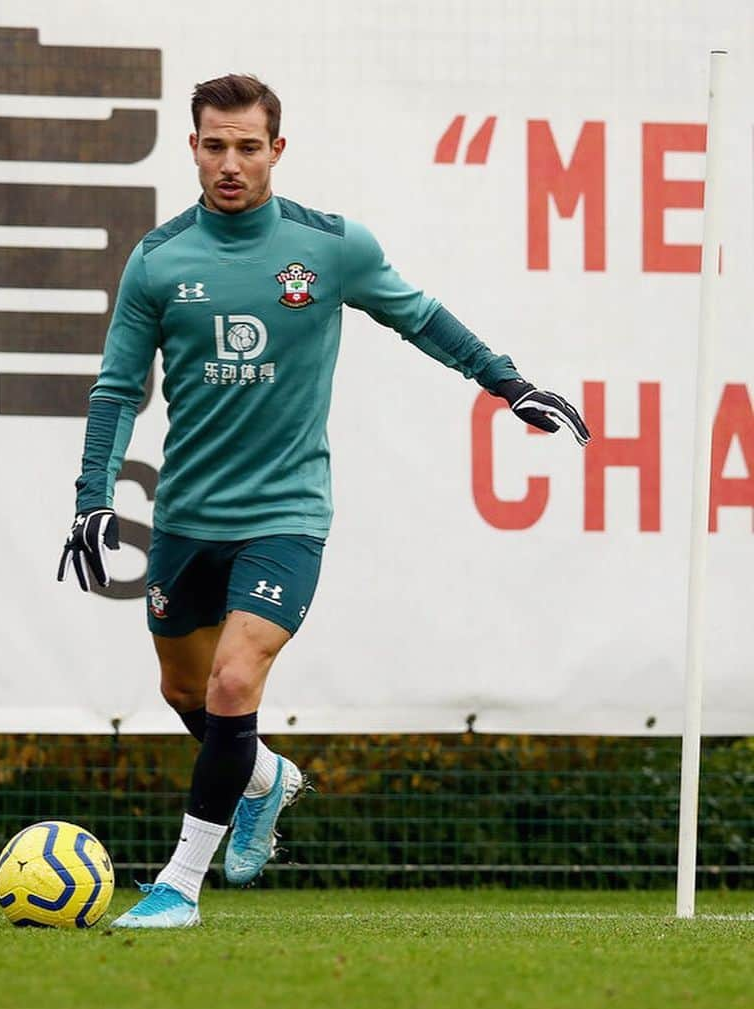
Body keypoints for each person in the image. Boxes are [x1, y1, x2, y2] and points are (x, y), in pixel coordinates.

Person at [59, 73, 588, 929]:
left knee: (235, 682)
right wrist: (92, 497)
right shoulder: (158, 260)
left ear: (277, 148)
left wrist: (506, 383)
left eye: (248, 146)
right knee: (185, 693)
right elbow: (119, 390)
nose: (231, 163)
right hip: (188, 519)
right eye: (215, 145)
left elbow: (420, 316)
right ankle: (265, 779)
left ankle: (177, 887)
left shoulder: (330, 248)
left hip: (287, 516)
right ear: (192, 147)